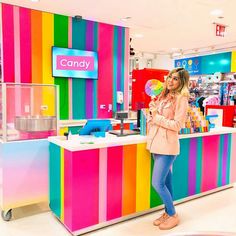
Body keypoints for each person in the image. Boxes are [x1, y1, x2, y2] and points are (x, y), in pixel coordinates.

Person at [146, 67, 190, 230]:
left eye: (176, 78)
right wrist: (153, 110)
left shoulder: (181, 99)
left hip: (167, 146)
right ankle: (167, 211)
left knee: (157, 183)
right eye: (170, 77)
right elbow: (157, 118)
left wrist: (156, 116)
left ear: (182, 82)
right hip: (156, 144)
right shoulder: (164, 96)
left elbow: (177, 125)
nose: (171, 80)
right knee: (166, 180)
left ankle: (172, 215)